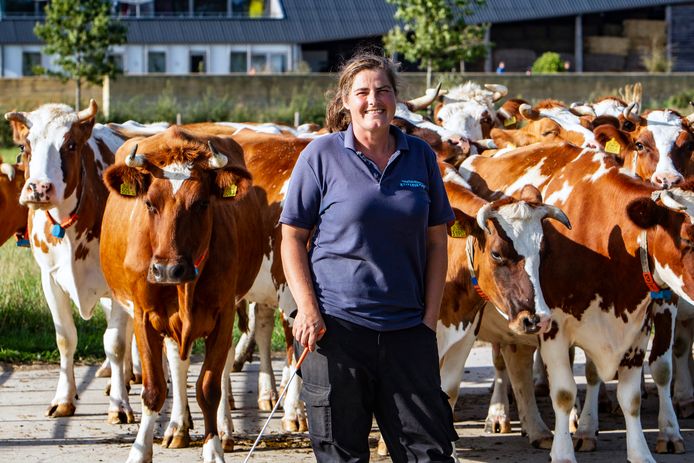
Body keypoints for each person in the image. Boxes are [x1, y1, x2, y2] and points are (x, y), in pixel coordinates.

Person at [280, 51, 458, 462]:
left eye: (382, 90)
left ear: (396, 98)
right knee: (342, 455)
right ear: (346, 101)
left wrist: (428, 321)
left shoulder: (420, 157)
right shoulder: (321, 155)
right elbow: (292, 238)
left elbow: (437, 242)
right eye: (362, 92)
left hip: (407, 332)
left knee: (428, 453)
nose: (373, 100)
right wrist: (307, 311)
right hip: (336, 332)